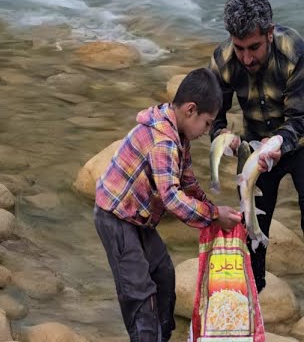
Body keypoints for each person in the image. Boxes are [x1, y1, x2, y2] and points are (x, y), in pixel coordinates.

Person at [94, 67, 241, 342]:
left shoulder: (179, 135)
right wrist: (212, 215)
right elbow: (172, 197)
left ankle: (162, 336)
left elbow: (188, 184)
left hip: (138, 215)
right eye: (208, 123)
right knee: (139, 294)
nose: (208, 131)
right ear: (190, 109)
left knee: (163, 274)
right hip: (114, 217)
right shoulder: (163, 140)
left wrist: (215, 210)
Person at [208, 0, 304, 291]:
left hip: (299, 142)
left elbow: (300, 119)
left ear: (270, 33)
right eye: (239, 48)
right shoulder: (223, 61)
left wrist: (276, 143)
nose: (246, 58)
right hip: (255, 149)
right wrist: (221, 135)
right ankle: (255, 292)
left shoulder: (294, 51)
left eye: (254, 47)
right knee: (252, 226)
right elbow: (212, 115)